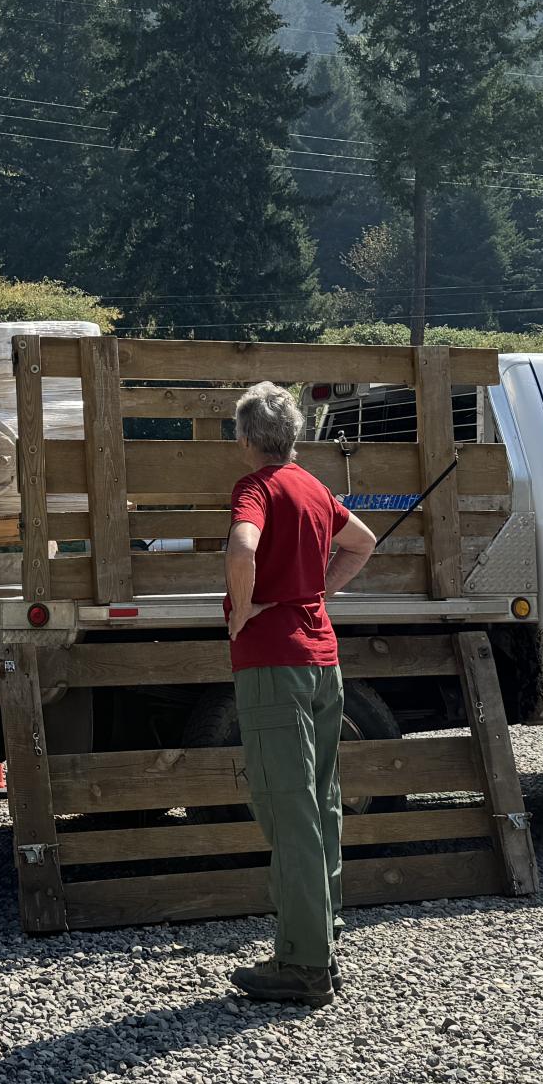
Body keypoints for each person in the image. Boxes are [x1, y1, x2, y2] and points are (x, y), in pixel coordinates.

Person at [222, 380, 380, 1004]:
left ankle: (303, 963)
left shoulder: (255, 487)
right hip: (322, 659)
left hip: (273, 663)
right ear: (295, 434)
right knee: (322, 802)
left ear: (244, 436)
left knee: (287, 811)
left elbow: (243, 543)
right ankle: (324, 936)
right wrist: (317, 592)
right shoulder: (314, 487)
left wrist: (245, 606)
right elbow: (361, 543)